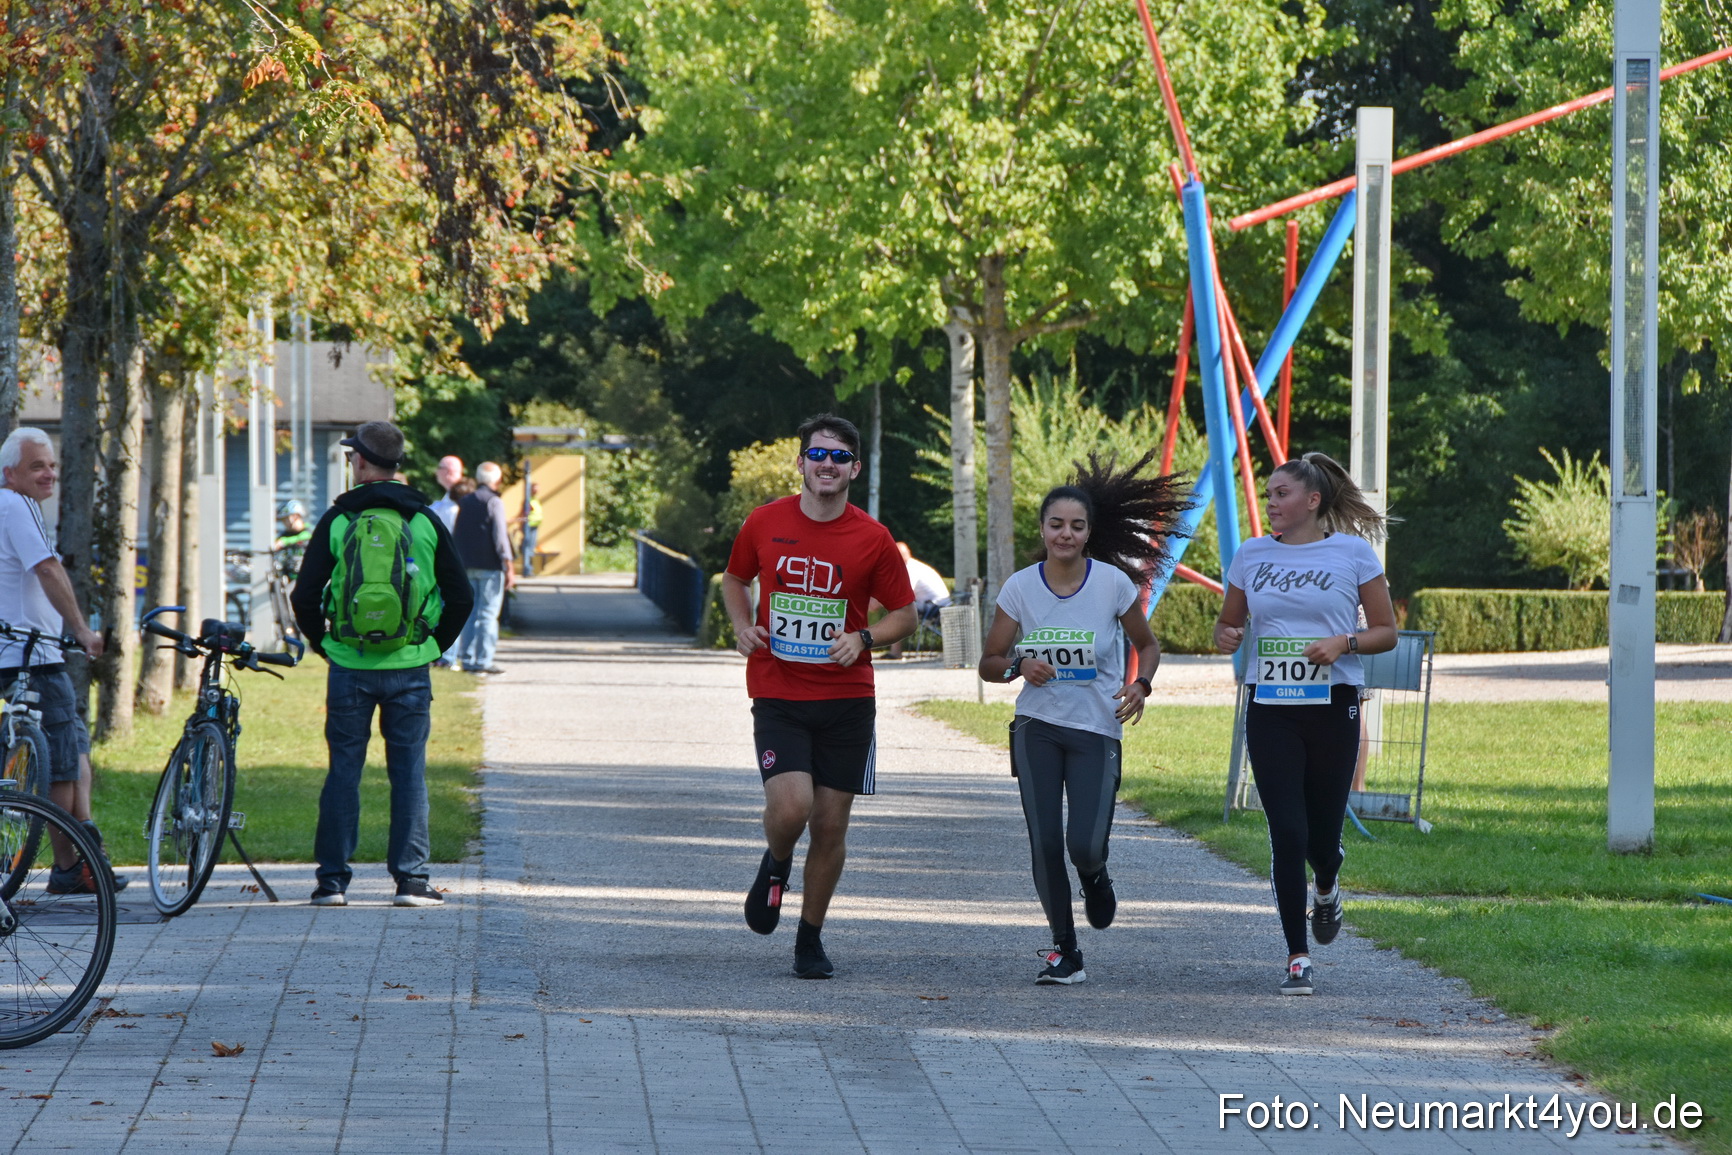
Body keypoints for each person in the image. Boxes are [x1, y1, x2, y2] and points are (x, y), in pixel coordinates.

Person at [978, 450, 1189, 985]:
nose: (1065, 534)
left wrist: (1141, 683)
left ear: (1089, 532)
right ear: (1043, 528)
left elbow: (1148, 644)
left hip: (1096, 729)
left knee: (1084, 846)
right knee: (1045, 840)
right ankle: (1064, 949)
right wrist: (1018, 666)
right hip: (1037, 728)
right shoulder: (1020, 587)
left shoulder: (1113, 585)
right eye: (1056, 525)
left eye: (1075, 526)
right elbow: (989, 662)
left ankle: (1095, 878)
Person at [721, 414, 917, 979]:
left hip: (847, 701)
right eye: (817, 454)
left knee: (831, 825)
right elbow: (735, 579)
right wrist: (741, 626)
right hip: (778, 690)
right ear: (801, 462)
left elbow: (903, 613)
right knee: (791, 808)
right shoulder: (764, 523)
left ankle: (810, 937)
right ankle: (777, 860)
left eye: (838, 457)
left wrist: (863, 637)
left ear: (854, 467)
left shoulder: (872, 537)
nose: (826, 465)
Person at [1212, 452, 1397, 996]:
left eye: (1281, 494)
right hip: (1270, 705)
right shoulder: (1250, 555)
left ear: (1312, 501)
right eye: (1268, 494)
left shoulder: (1353, 553)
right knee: (1286, 833)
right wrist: (1225, 637)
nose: (1270, 503)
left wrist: (1344, 642)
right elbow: (1229, 623)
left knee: (1321, 836)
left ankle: (1329, 880)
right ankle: (1297, 955)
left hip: (1333, 703)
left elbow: (1386, 631)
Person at [290, 420, 474, 907]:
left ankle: (332, 883)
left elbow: (304, 596)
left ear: (362, 463)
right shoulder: (425, 520)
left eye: (352, 458)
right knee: (409, 770)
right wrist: (433, 645)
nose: (351, 464)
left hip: (350, 666)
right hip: (410, 664)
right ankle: (411, 881)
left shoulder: (339, 520)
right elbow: (461, 595)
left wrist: (324, 644)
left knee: (343, 772)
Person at [0, 427, 127, 894]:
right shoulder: (17, 505)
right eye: (38, 466)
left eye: (52, 464)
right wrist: (81, 630)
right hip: (31, 654)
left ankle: (78, 858)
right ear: (10, 473)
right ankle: (74, 863)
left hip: (16, 651)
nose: (49, 473)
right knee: (62, 759)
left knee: (74, 744)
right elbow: (48, 569)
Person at [451, 462, 515, 676]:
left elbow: (457, 533)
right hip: (490, 566)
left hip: (467, 565)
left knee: (470, 614)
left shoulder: (465, 501)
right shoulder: (494, 501)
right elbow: (500, 537)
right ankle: (484, 660)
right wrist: (508, 563)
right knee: (487, 614)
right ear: (495, 480)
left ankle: (467, 659)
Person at [885, 542, 950, 659]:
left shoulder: (910, 569)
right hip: (940, 605)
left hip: (935, 608)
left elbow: (906, 592)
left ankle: (895, 652)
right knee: (898, 608)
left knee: (897, 611)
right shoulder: (914, 565)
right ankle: (895, 651)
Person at [272, 500, 313, 579]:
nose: (284, 522)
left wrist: (284, 541)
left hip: (308, 577)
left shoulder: (309, 531)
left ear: (296, 516)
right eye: (282, 520)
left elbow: (306, 536)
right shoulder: (284, 535)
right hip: (288, 577)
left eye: (286, 518)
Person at [511, 482, 544, 577]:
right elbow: (523, 514)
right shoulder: (528, 500)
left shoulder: (536, 500)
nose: (537, 491)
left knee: (531, 547)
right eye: (535, 489)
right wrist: (520, 525)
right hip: (528, 526)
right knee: (527, 547)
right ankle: (527, 569)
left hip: (534, 526)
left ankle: (528, 568)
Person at [429, 455, 464, 532]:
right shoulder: (451, 493)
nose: (436, 472)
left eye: (439, 468)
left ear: (449, 471)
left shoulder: (462, 495)